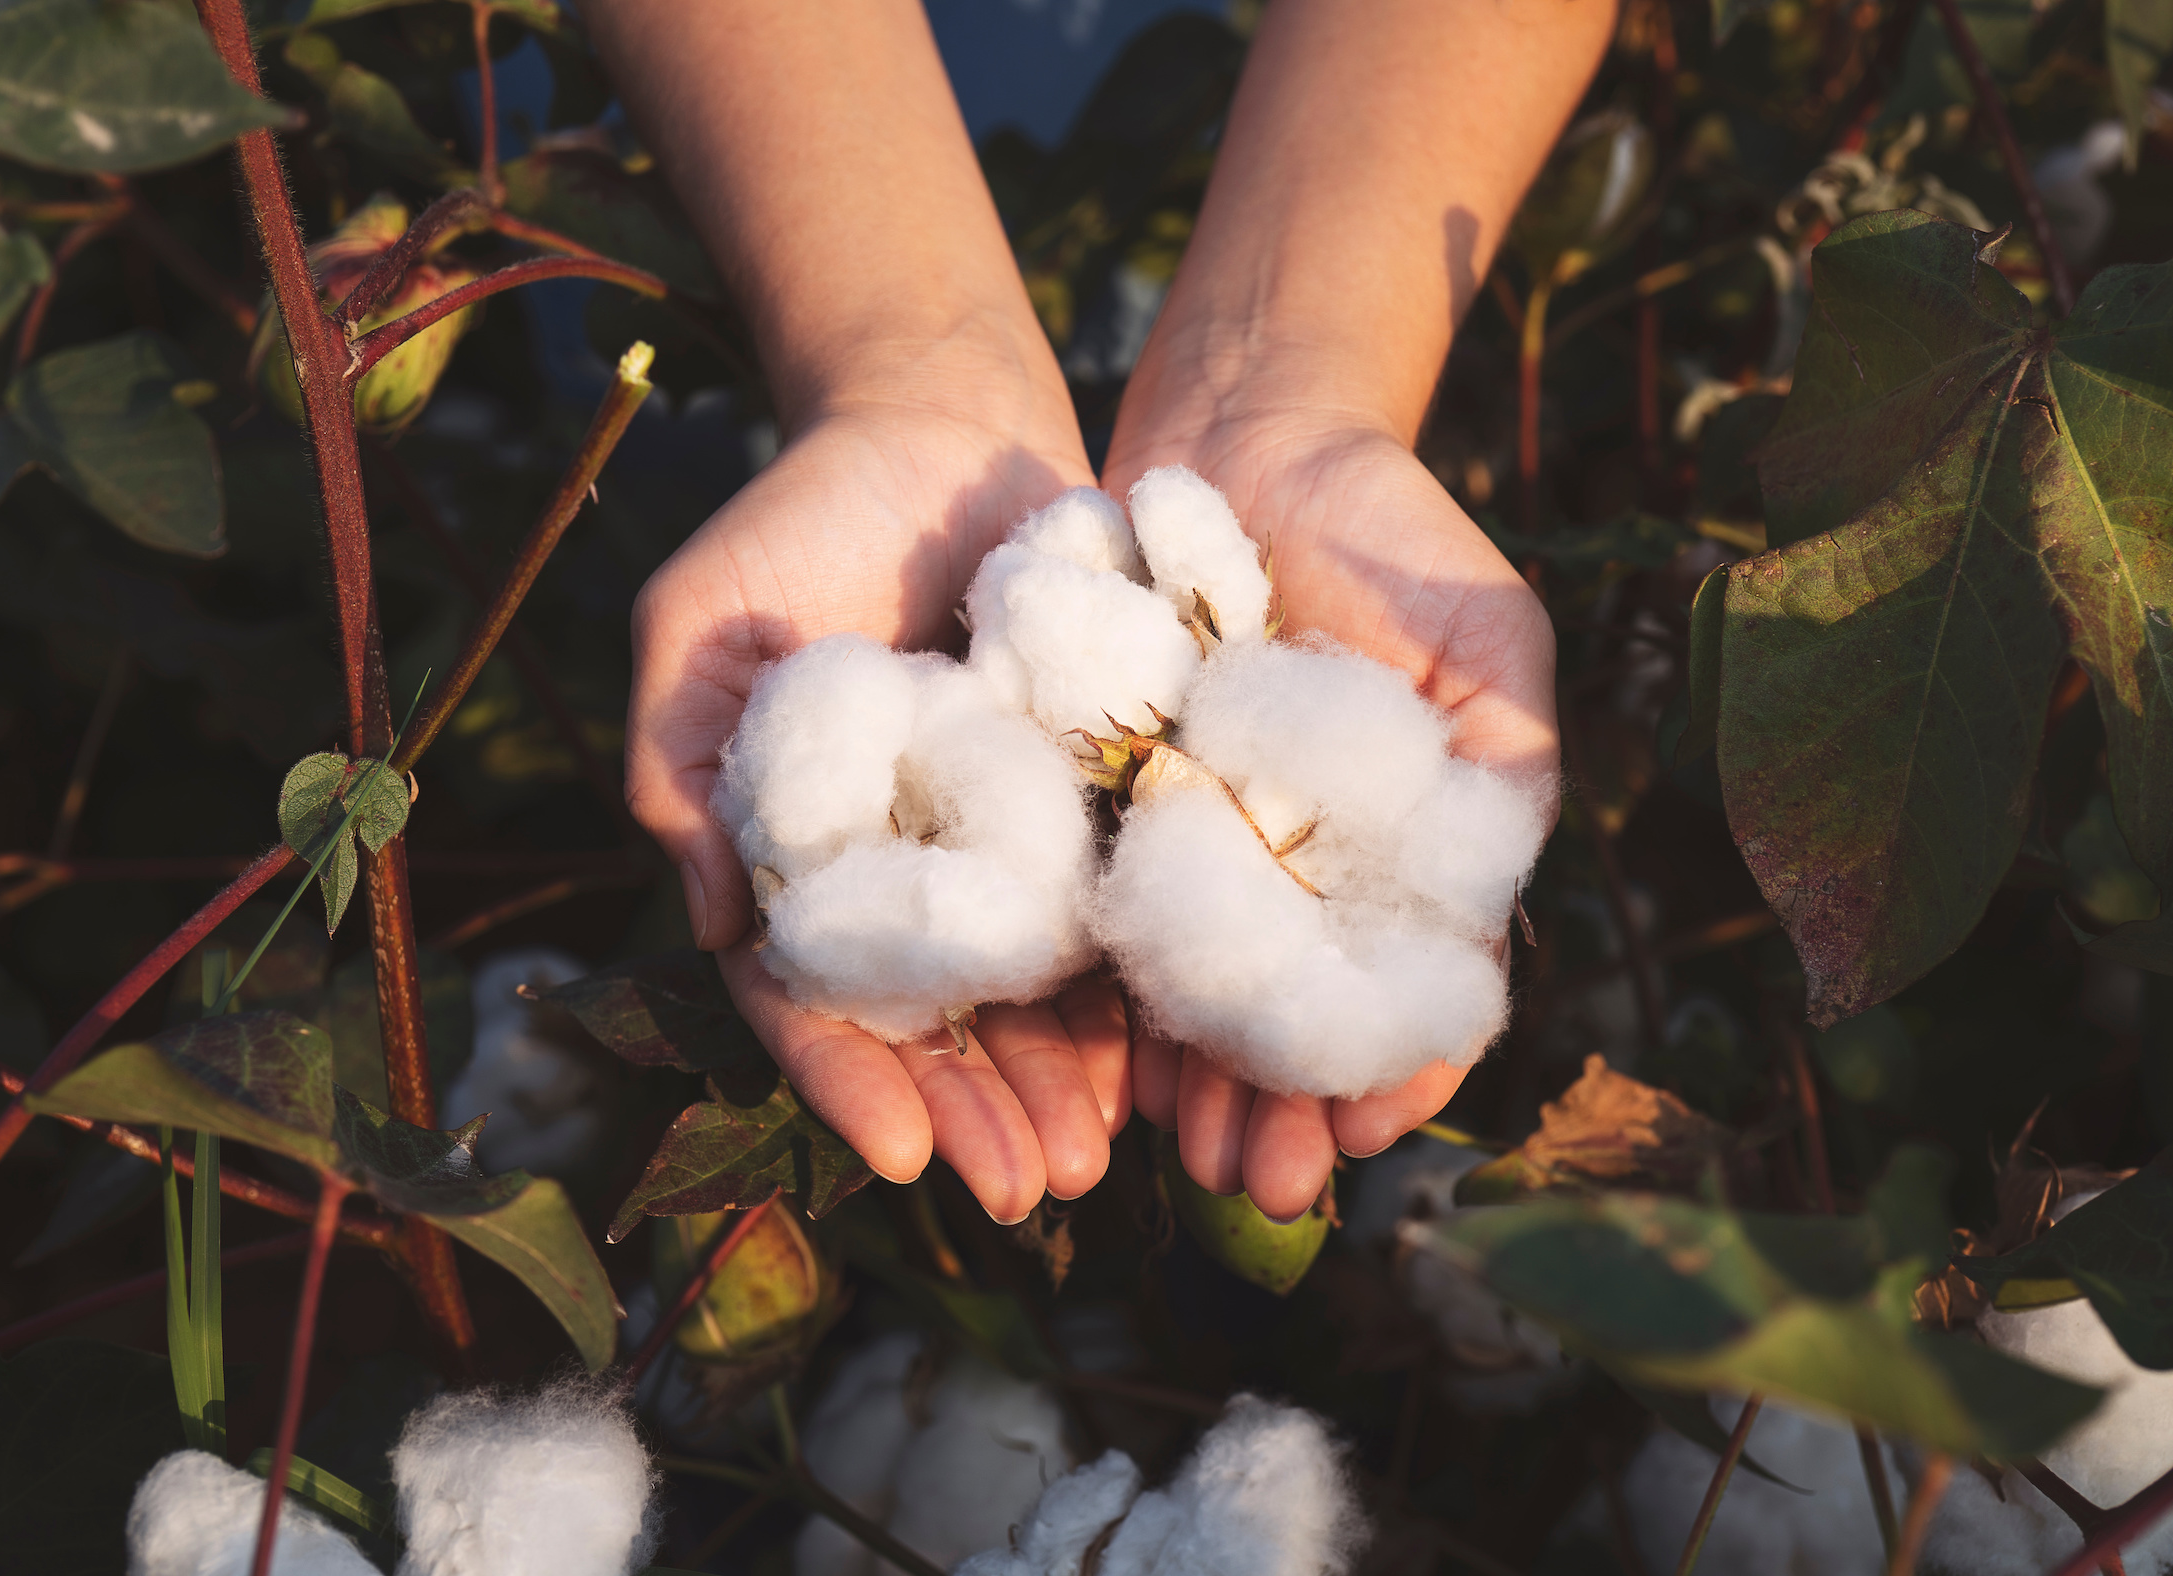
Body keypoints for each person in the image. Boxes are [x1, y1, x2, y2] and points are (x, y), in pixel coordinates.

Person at [585, 0, 1604, 1227]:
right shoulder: (1105, 700)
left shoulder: (1108, 690)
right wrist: (898, 372)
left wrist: (1289, 381)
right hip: (750, 185)